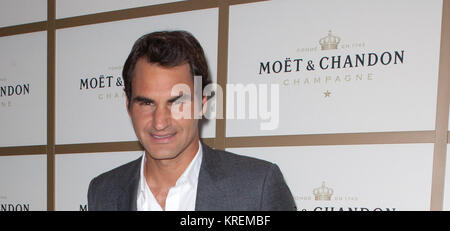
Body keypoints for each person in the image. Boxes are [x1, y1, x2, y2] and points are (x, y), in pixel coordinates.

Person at [87, 30, 296, 211]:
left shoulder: (257, 188)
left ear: (202, 103)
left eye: (177, 102)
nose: (160, 122)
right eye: (147, 103)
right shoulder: (103, 191)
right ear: (128, 105)